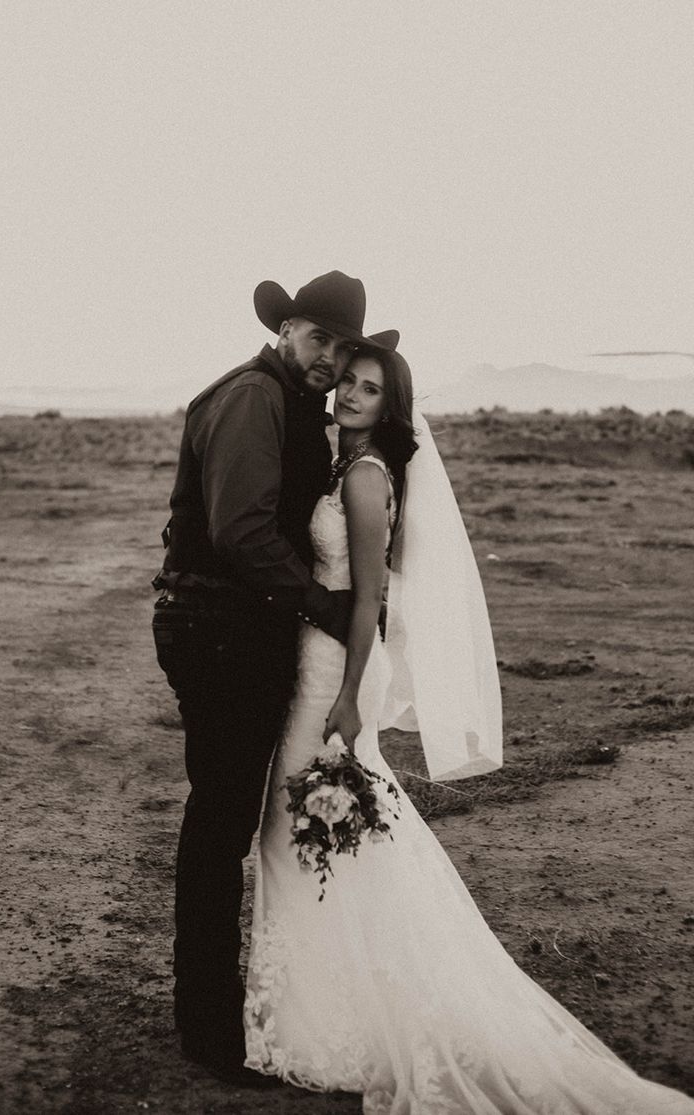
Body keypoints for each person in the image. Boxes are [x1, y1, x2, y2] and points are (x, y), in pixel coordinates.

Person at [243, 347, 694, 1112]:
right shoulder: (343, 463)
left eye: (369, 388)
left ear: (391, 407)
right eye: (348, 380)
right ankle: (327, 1004)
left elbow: (367, 599)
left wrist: (350, 695)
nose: (350, 393)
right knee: (329, 834)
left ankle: (321, 1020)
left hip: (335, 670)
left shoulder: (362, 477)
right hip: (319, 661)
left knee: (296, 834)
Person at [151, 270, 398, 1088]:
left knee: (229, 820)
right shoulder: (254, 396)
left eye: (343, 347)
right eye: (319, 339)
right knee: (221, 823)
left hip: (240, 635)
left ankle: (217, 1013)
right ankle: (211, 1031)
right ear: (287, 330)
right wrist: (326, 607)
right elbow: (241, 531)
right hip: (219, 632)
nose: (329, 358)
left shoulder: (290, 404)